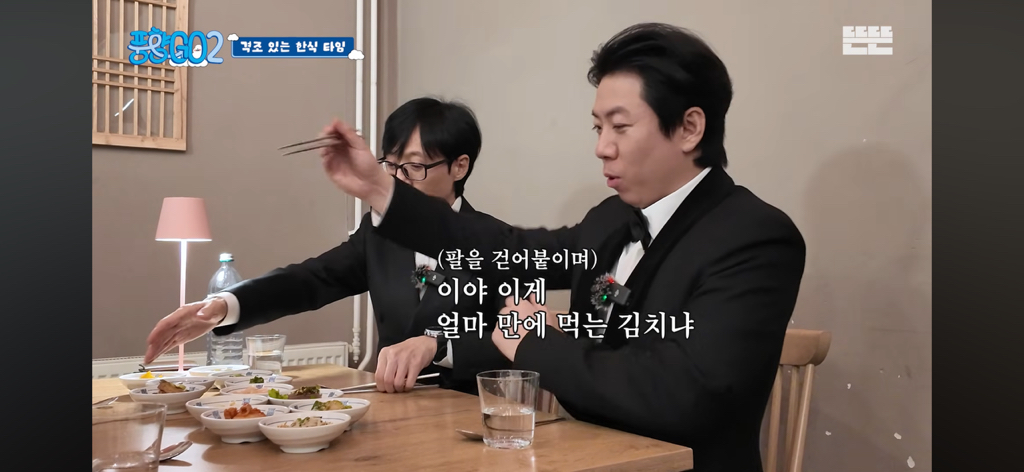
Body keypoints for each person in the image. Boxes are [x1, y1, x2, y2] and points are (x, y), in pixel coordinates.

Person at [313, 23, 806, 472]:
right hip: (585, 456)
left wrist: (534, 339)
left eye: (620, 126)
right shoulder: (610, 218)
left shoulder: (755, 237)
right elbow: (507, 247)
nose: (602, 147)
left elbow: (683, 396)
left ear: (689, 128)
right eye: (598, 127)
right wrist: (382, 191)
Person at [143, 97, 513, 395]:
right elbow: (312, 278)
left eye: (414, 168)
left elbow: (524, 339)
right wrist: (223, 306)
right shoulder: (380, 233)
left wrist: (440, 347)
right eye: (390, 166)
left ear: (459, 167)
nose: (397, 180)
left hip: (473, 417)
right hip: (395, 410)